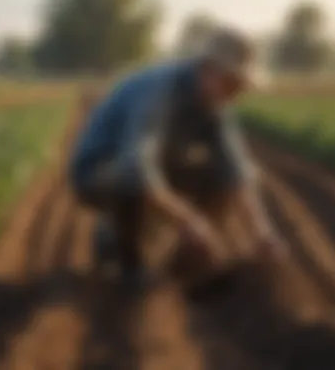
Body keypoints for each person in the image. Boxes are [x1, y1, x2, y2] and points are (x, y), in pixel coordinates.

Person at [69, 27, 286, 289]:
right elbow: (137, 167)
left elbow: (235, 168)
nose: (236, 93)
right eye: (233, 82)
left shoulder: (216, 103)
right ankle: (129, 262)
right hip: (99, 169)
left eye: (241, 86)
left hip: (156, 163)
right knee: (129, 178)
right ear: (208, 69)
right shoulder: (159, 91)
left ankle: (183, 263)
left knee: (220, 175)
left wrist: (262, 234)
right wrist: (188, 219)